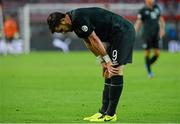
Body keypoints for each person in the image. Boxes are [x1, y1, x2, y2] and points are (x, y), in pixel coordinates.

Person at [47, 7, 135, 122]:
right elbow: (88, 43)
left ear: (63, 21)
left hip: (123, 32)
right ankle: (103, 112)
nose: (63, 32)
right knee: (108, 72)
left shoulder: (78, 18)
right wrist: (102, 61)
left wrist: (108, 61)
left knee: (115, 69)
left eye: (61, 30)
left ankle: (111, 114)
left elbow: (94, 39)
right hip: (114, 36)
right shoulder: (75, 24)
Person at [134, 0, 165, 78]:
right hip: (147, 35)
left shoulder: (156, 8)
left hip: (156, 35)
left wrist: (162, 29)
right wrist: (134, 32)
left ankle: (148, 64)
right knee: (147, 52)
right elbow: (138, 23)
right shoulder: (142, 11)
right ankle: (149, 72)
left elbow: (161, 19)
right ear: (146, 1)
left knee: (157, 54)